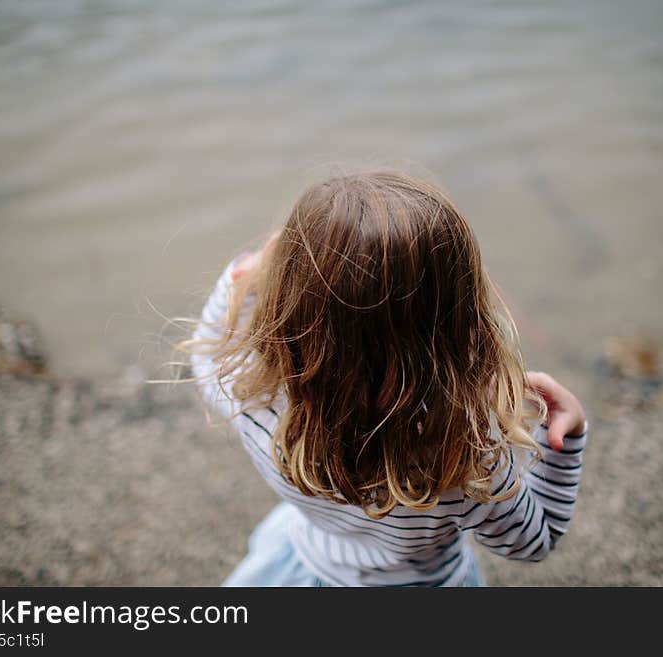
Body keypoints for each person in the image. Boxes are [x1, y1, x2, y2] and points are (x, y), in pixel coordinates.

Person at [184, 169, 587, 586]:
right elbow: (533, 542)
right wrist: (565, 440)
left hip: (304, 562)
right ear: (457, 317)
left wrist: (247, 279)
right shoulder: (463, 457)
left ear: (288, 302)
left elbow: (208, 347)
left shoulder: (258, 401)